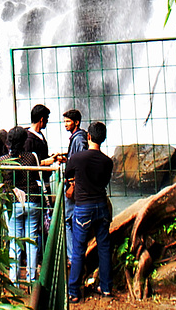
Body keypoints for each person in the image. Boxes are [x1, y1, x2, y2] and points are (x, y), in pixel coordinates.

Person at [65, 121, 114, 302]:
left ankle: (74, 292)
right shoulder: (107, 162)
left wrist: (73, 183)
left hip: (83, 207)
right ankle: (107, 288)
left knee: (78, 249)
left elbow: (67, 174)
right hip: (101, 206)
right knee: (104, 247)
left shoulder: (78, 158)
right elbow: (104, 182)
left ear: (89, 137)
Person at [0, 126, 42, 283]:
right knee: (31, 240)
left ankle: (14, 280)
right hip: (31, 202)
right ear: (24, 142)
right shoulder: (31, 158)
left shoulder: (2, 161)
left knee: (14, 242)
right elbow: (37, 177)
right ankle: (31, 279)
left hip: (12, 205)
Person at [61, 109, 88, 264]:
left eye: (68, 121)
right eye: (64, 121)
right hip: (74, 184)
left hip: (74, 186)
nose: (65, 124)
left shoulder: (79, 139)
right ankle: (75, 254)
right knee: (72, 219)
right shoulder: (77, 138)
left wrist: (73, 184)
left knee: (68, 219)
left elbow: (82, 160)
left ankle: (72, 256)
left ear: (76, 122)